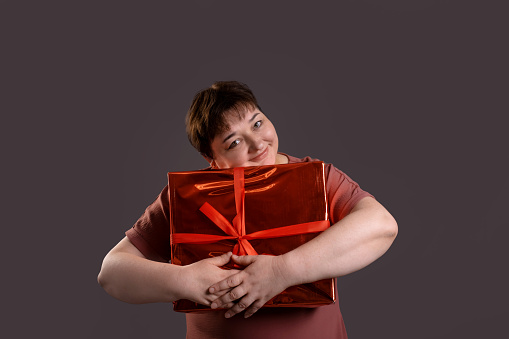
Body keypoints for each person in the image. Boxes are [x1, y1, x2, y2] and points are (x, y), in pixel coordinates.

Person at [98, 81, 398, 338]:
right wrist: (185, 280)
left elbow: (381, 225)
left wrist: (282, 271)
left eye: (257, 123)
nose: (258, 144)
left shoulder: (318, 178)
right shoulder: (187, 197)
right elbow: (112, 273)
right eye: (234, 141)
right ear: (211, 157)